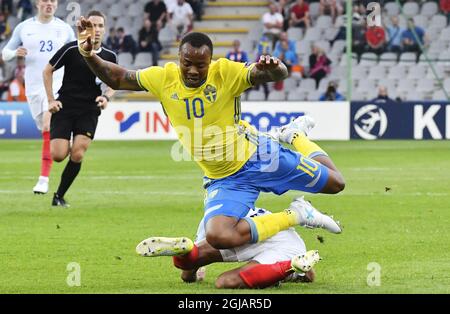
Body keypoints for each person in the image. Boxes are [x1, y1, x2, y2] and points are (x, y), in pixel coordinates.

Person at [76, 23, 345, 261]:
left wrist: (275, 68)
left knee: (336, 184)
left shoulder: (226, 72)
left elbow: (272, 74)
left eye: (200, 65)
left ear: (210, 61)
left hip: (260, 157)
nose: (193, 70)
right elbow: (118, 77)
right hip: (224, 178)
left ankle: (295, 136)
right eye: (186, 63)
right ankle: (297, 214)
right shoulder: (163, 77)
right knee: (218, 236)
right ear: (179, 58)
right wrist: (89, 54)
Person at [137, 206, 319, 289]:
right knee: (225, 281)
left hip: (239, 223)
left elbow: (187, 274)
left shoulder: (217, 212)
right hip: (273, 231)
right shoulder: (296, 245)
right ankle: (290, 266)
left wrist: (192, 273)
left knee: (195, 261)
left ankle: (186, 250)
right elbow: (310, 275)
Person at [43, 11, 116, 207]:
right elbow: (47, 69)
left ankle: (58, 196)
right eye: (92, 25)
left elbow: (114, 82)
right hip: (65, 106)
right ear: (85, 28)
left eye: (100, 26)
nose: (97, 30)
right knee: (58, 155)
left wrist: (106, 97)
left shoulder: (110, 56)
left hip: (89, 110)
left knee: (77, 154)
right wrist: (51, 100)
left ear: (105, 29)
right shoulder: (71, 49)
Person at [2, 0, 76, 194]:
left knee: (46, 123)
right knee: (47, 130)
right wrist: (14, 53)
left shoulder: (64, 29)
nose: (49, 4)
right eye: (45, 0)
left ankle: (43, 179)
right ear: (37, 3)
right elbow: (5, 52)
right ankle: (63, 138)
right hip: (33, 87)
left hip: (57, 85)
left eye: (52, 1)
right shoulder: (24, 27)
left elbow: (75, 54)